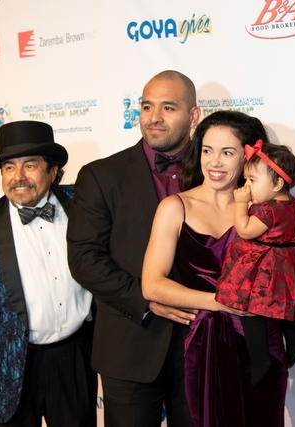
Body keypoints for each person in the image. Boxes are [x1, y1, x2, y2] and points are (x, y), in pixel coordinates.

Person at [67, 70, 201, 427]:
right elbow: (84, 259)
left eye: (168, 107)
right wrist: (147, 299)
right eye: (146, 106)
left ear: (194, 115)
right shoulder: (101, 175)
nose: (154, 117)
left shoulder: (218, 171)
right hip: (129, 345)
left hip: (202, 343)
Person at [0, 120, 97, 427]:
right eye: (9, 168)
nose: (18, 177)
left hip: (73, 358)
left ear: (53, 171)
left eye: (30, 165)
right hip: (4, 365)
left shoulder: (83, 205)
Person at [142, 110, 290, 427]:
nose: (214, 162)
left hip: (261, 346)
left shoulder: (266, 211)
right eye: (208, 151)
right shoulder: (175, 207)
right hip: (205, 344)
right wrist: (220, 302)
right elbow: (152, 284)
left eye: (227, 152)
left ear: (248, 157)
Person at [216, 139, 295, 385]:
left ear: (277, 183)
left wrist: (241, 204)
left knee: (248, 307)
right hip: (285, 264)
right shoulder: (290, 203)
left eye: (252, 180)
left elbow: (245, 230)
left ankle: (259, 358)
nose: (246, 186)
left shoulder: (267, 210)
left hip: (264, 267)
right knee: (282, 306)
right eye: (246, 179)